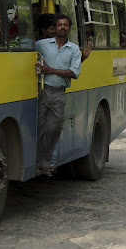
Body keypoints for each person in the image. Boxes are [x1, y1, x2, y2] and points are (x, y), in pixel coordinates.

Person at [35, 13, 82, 176]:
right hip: (42, 91)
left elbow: (74, 73)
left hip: (58, 95)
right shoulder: (41, 45)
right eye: (59, 25)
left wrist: (51, 70)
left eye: (65, 25)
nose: (62, 27)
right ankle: (38, 162)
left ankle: (45, 162)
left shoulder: (74, 49)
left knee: (53, 129)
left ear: (69, 28)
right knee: (38, 128)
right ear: (55, 28)